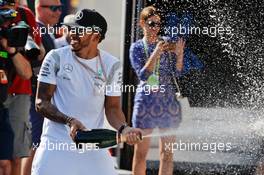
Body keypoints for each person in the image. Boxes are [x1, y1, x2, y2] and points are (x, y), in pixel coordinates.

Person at [31, 9, 142, 175]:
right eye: (72, 28)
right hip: (55, 147)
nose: (73, 34)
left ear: (96, 36)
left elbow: (112, 108)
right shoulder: (55, 57)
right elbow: (41, 103)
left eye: (80, 30)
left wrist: (124, 128)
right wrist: (69, 120)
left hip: (93, 147)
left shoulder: (112, 65)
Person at [129, 6, 203, 175]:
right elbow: (143, 75)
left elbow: (177, 72)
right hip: (145, 103)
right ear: (142, 23)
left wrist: (179, 54)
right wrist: (155, 53)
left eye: (158, 24)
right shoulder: (137, 48)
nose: (155, 28)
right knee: (141, 154)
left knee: (167, 154)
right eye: (151, 24)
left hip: (167, 103)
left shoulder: (166, 43)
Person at [1, 1, 44, 175]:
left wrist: (25, 42)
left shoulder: (26, 15)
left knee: (15, 155)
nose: (11, 5)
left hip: (19, 90)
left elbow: (39, 51)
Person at [24, 0, 62, 174]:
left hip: (40, 97)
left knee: (37, 144)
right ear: (38, 8)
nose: (58, 12)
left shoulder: (45, 31)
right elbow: (35, 66)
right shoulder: (37, 31)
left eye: (60, 8)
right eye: (53, 8)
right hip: (36, 97)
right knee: (34, 146)